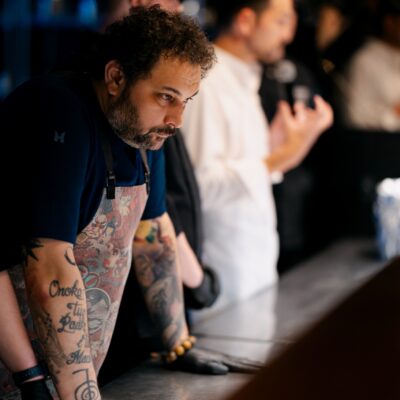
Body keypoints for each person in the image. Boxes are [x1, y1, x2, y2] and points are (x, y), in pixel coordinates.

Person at [0, 6, 257, 400]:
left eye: (186, 101)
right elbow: (50, 265)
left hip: (64, 376)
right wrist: (44, 383)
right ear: (116, 77)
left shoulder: (145, 132)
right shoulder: (60, 110)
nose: (176, 120)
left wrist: (178, 343)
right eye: (166, 97)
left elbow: (153, 235)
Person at [181, 0, 333, 314]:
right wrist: (278, 159)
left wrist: (275, 148)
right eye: (281, 21)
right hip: (221, 281)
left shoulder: (244, 77)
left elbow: (244, 164)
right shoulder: (207, 81)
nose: (288, 35)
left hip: (252, 271)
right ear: (246, 21)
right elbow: (199, 188)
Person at [337, 0, 400, 132]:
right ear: (389, 22)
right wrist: (394, 112)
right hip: (379, 139)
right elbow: (356, 116)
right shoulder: (365, 60)